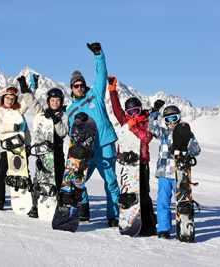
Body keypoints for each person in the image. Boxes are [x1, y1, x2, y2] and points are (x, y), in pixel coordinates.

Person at [66, 42, 119, 227]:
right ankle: (83, 210)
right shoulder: (70, 111)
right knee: (76, 180)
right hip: (86, 151)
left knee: (111, 182)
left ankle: (114, 216)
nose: (79, 88)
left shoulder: (95, 95)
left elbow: (102, 75)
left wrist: (99, 55)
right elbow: (70, 134)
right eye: (76, 86)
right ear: (71, 88)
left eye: (81, 85)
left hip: (104, 144)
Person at [107, 76, 158, 236]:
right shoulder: (123, 121)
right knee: (128, 194)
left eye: (136, 111)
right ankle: (129, 220)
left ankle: (148, 225)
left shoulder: (144, 122)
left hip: (141, 163)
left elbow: (147, 137)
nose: (133, 115)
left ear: (140, 110)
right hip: (126, 164)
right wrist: (112, 90)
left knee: (143, 194)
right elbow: (116, 108)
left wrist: (134, 126)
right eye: (130, 113)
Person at [148, 102, 201, 239]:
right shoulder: (163, 133)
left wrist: (185, 151)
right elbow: (152, 128)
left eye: (174, 118)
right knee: (162, 202)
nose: (171, 122)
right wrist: (154, 112)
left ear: (179, 118)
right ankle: (164, 229)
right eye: (168, 120)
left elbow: (196, 149)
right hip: (164, 172)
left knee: (182, 201)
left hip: (180, 173)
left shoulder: (186, 133)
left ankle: (183, 227)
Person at [21, 74, 69, 218]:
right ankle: (36, 206)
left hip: (57, 154)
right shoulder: (42, 113)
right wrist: (24, 89)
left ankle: (58, 206)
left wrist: (55, 120)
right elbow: (32, 103)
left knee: (58, 180)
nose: (55, 103)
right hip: (44, 154)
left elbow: (63, 132)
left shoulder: (63, 116)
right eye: (53, 100)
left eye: (58, 100)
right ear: (49, 101)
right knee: (40, 180)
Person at [0, 77, 31, 211]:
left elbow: (28, 101)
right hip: (7, 148)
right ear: (2, 98)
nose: (10, 101)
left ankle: (26, 199)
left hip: (22, 147)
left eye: (12, 99)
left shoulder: (18, 110)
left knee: (23, 173)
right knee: (1, 173)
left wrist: (31, 88)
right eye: (8, 98)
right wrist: (15, 127)